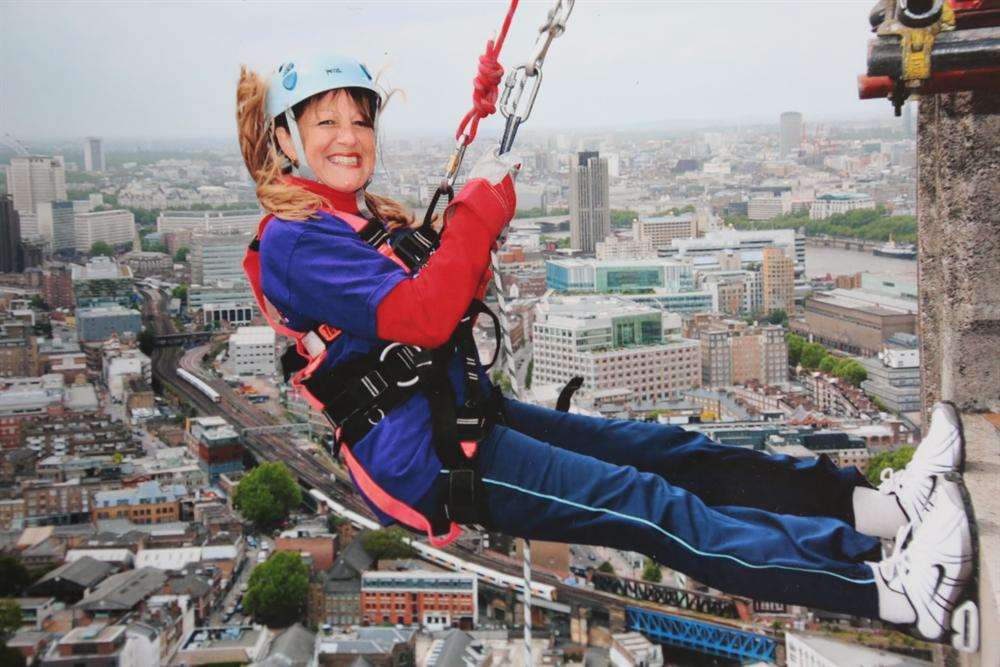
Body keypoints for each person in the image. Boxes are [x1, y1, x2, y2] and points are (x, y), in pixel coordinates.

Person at [235, 55, 977, 649]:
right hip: (431, 455)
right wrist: (476, 216)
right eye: (324, 121)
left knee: (668, 452)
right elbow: (424, 315)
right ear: (286, 138)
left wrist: (464, 234)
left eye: (359, 120)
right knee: (650, 507)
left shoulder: (351, 219)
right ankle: (888, 589)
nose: (347, 136)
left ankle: (879, 509)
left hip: (461, 414)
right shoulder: (296, 239)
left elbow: (429, 305)